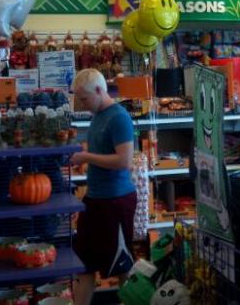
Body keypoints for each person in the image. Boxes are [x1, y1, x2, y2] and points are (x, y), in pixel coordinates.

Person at [70, 68, 136, 305]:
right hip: (95, 199)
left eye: (85, 98)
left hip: (115, 201)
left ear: (99, 90)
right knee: (84, 265)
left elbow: (125, 161)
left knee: (122, 264)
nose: (82, 104)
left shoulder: (119, 118)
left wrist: (87, 157)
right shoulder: (98, 115)